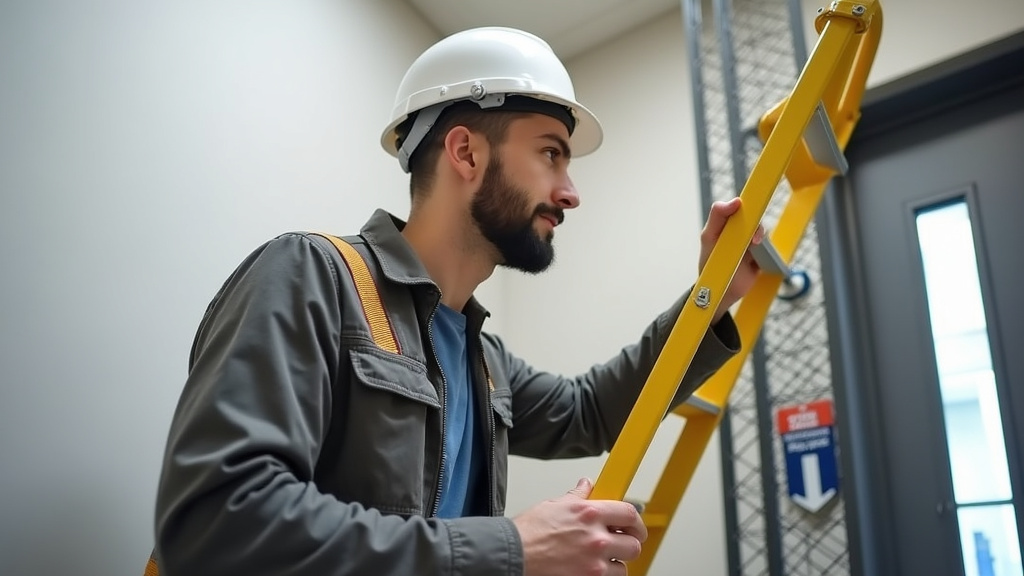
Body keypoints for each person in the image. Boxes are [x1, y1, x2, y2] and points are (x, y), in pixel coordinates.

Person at [152, 26, 763, 576]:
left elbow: (589, 413)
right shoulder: (313, 275)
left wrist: (711, 298)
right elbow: (218, 523)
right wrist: (513, 549)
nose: (570, 192)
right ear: (466, 153)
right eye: (550, 153)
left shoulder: (484, 359)